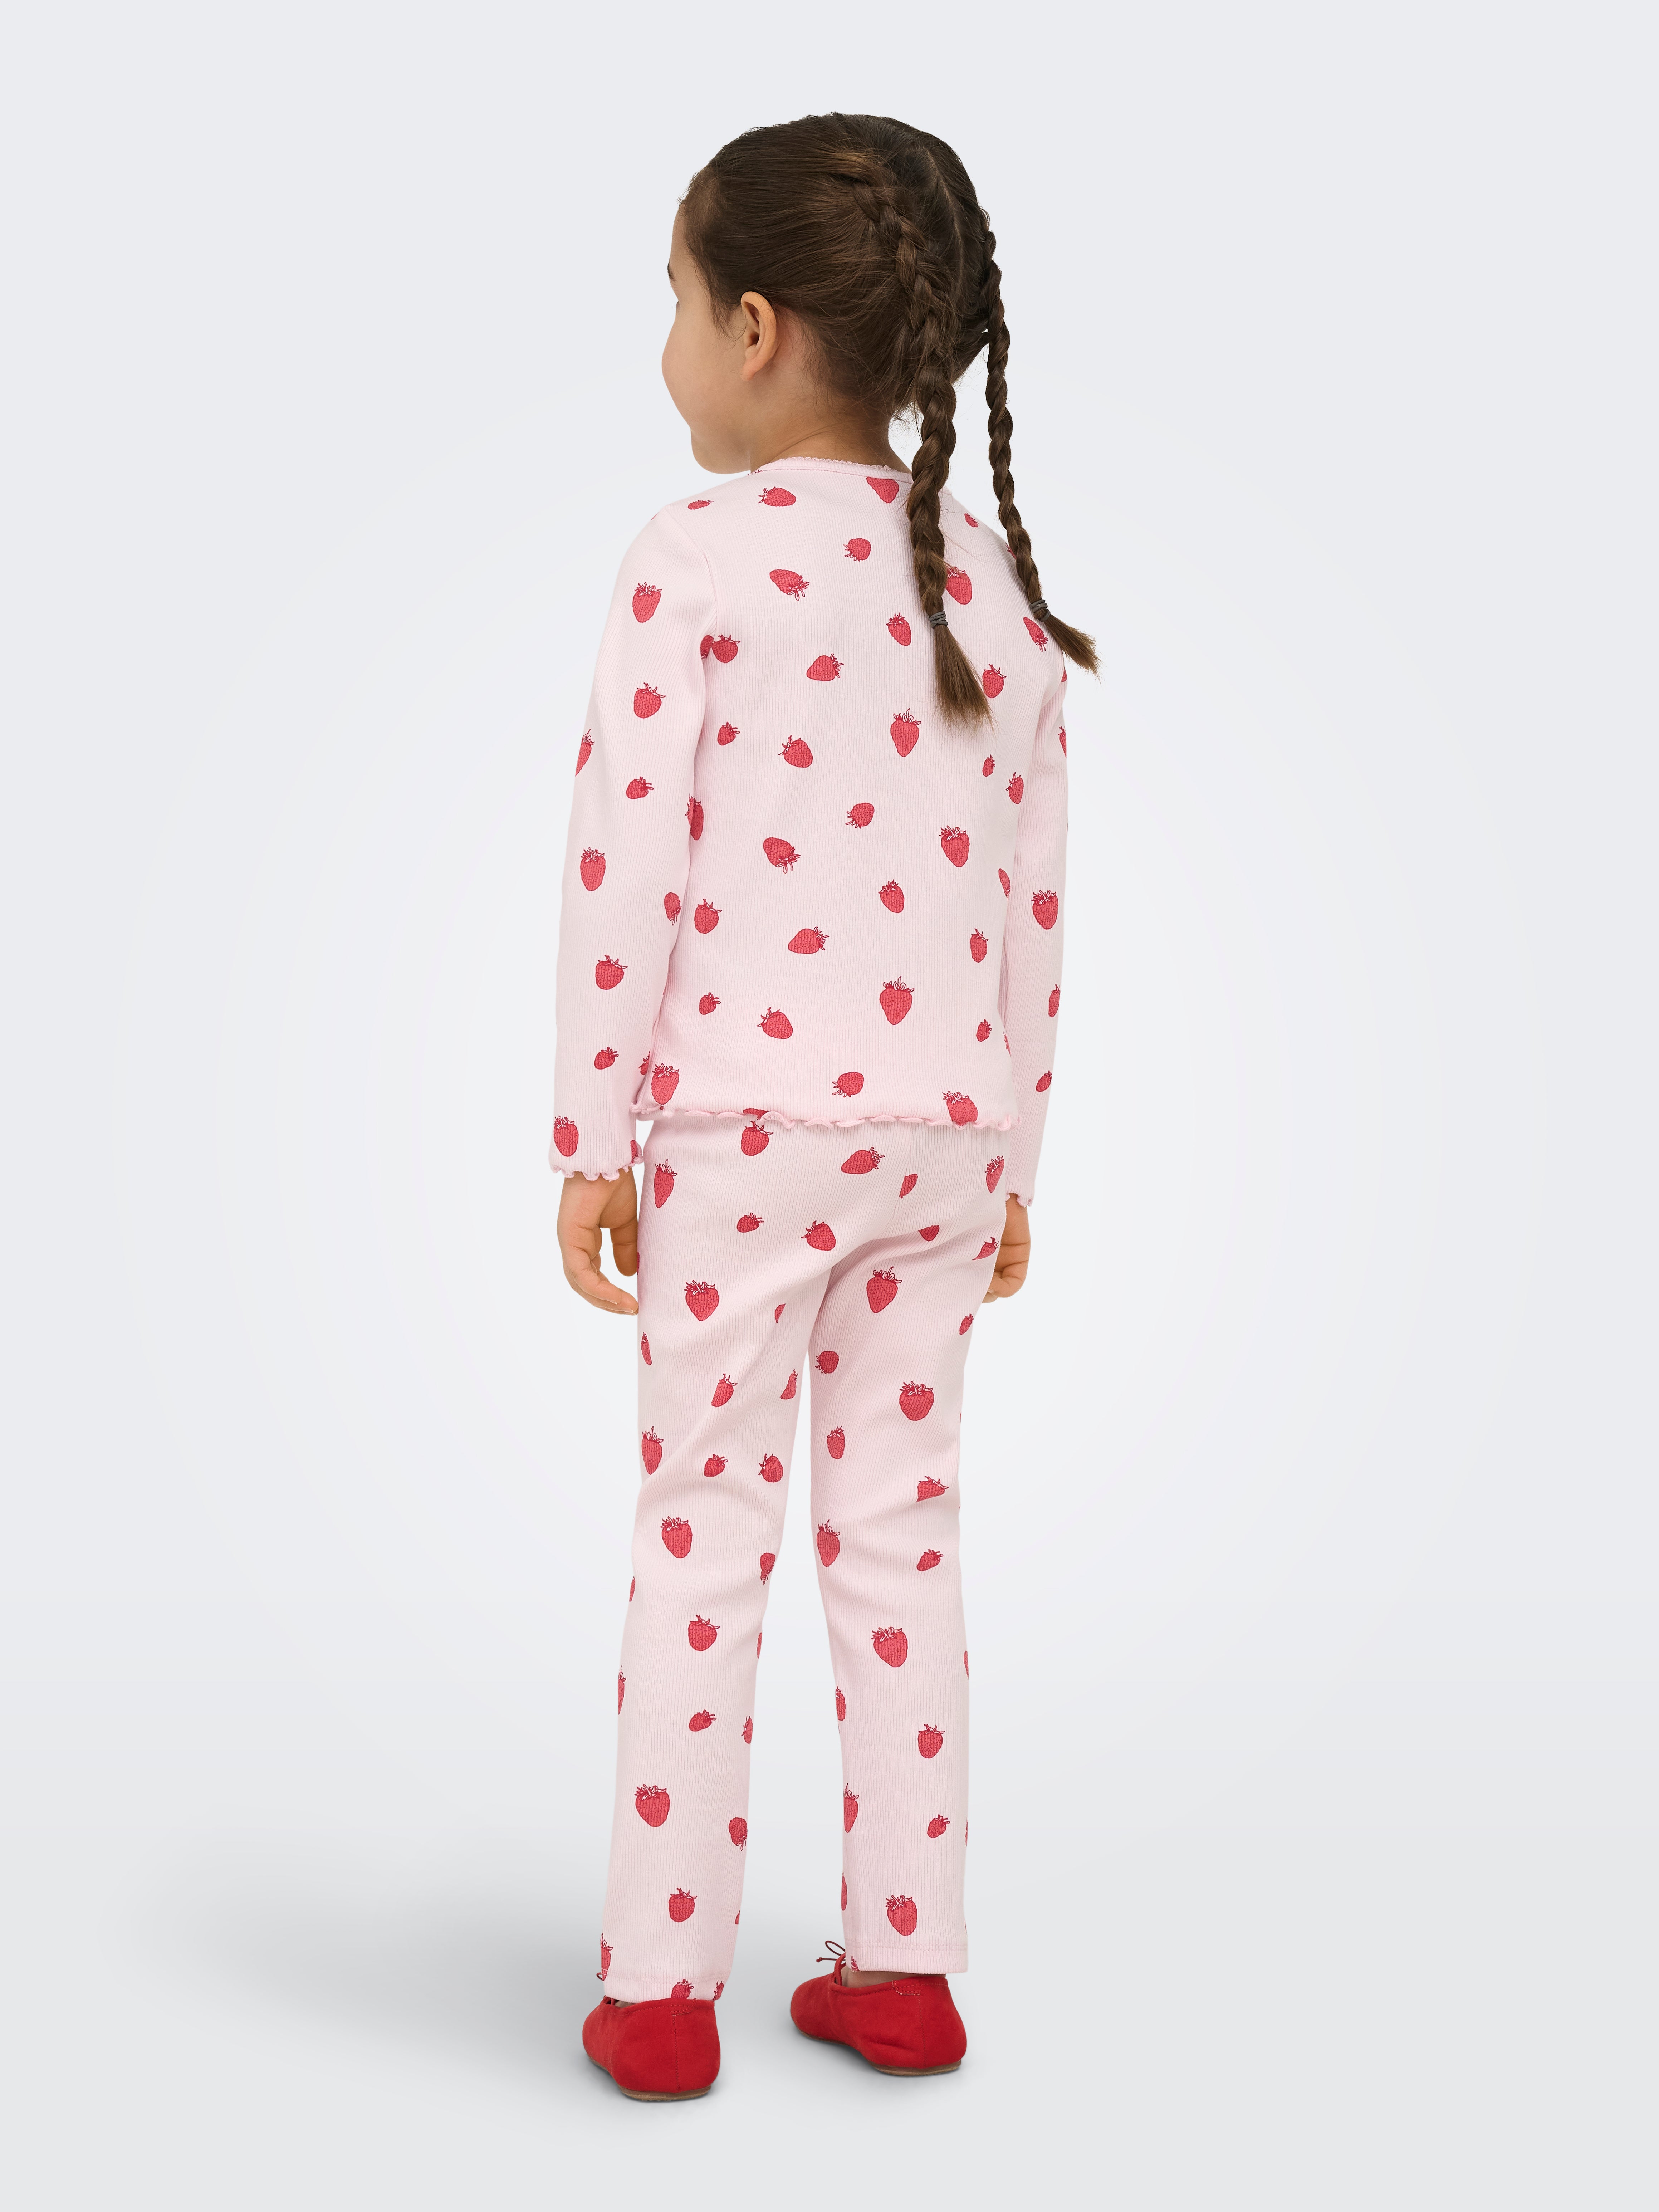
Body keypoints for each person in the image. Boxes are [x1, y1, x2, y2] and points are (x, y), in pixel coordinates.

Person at [550, 112, 1093, 2100]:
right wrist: (1014, 1157)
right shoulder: (994, 597)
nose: (668, 348)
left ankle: (660, 1990)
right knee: (900, 1538)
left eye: (678, 304)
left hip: (741, 1134)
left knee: (704, 1534)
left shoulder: (696, 561)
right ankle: (908, 1968)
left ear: (759, 328)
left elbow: (625, 864)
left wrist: (587, 1142)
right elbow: (1034, 912)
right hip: (940, 1142)